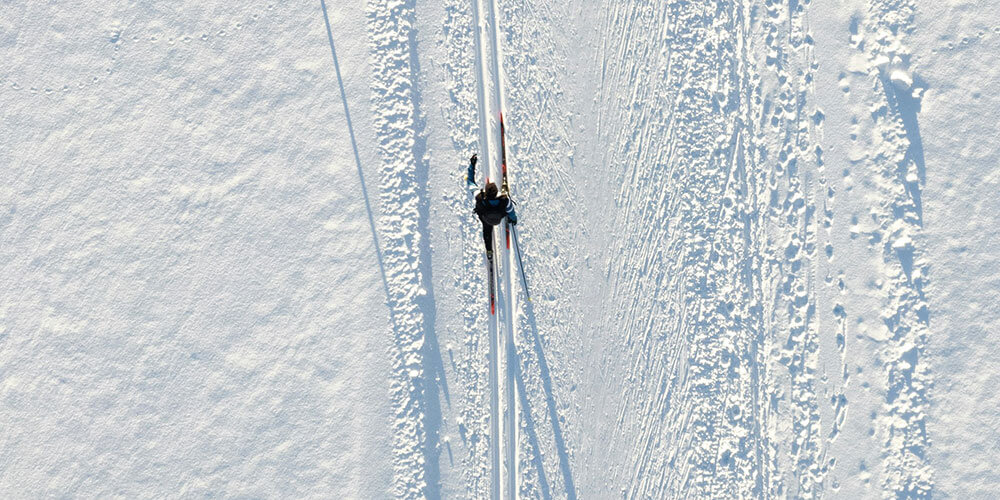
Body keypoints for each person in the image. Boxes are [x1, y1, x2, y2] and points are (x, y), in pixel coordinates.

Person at [470, 155, 517, 257]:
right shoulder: (504, 199)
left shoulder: (479, 196)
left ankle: (489, 251)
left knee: (487, 231)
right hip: (499, 216)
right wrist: (513, 219)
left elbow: (470, 182)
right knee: (504, 200)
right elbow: (510, 210)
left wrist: (472, 165)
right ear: (496, 192)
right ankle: (504, 187)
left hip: (486, 219)